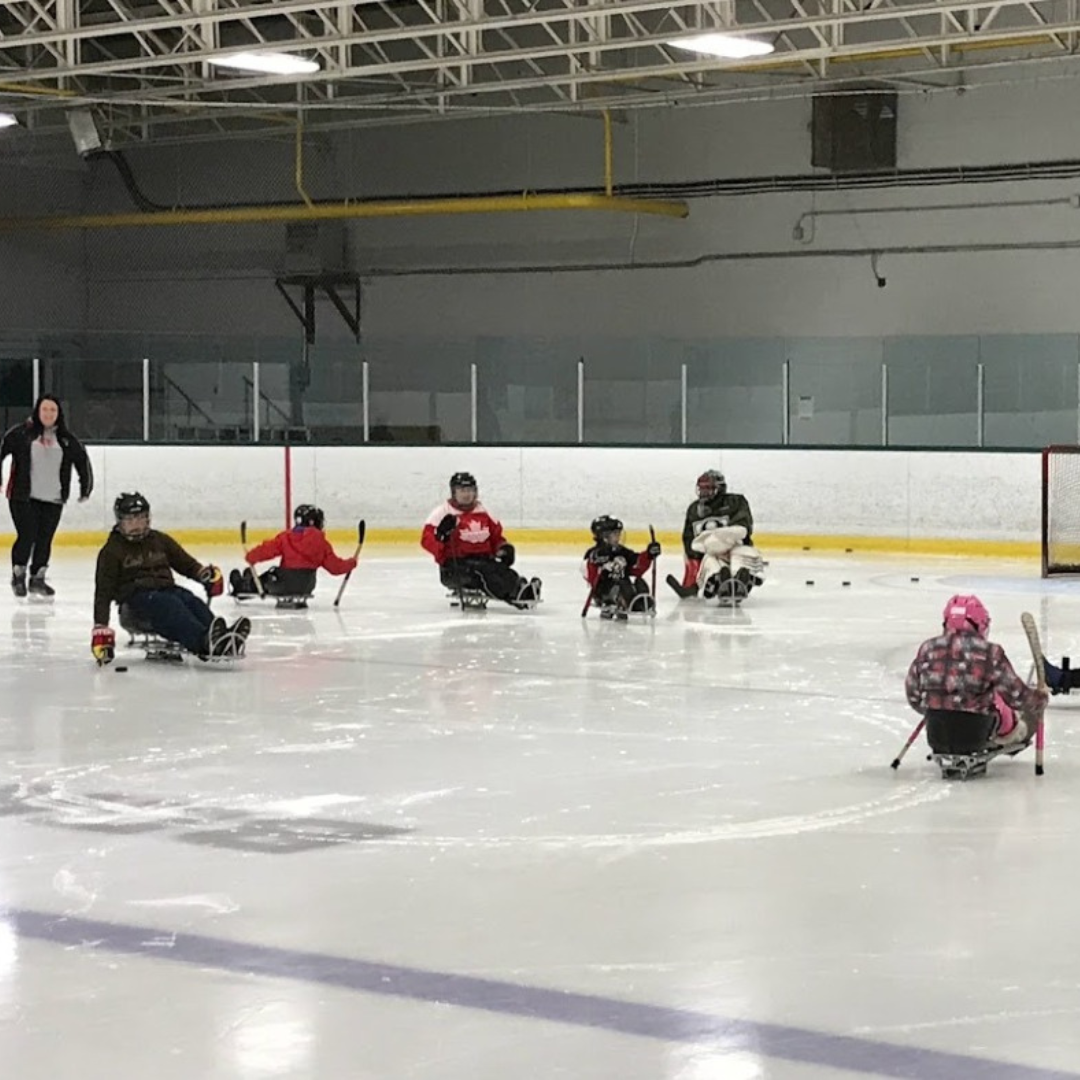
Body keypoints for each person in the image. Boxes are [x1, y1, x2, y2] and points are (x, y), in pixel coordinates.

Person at [91, 492, 250, 664]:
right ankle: (203, 643)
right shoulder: (112, 551)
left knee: (190, 600)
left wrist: (205, 575)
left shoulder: (159, 540)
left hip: (166, 591)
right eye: (130, 521)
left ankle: (220, 638)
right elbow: (103, 593)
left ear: (148, 519)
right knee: (170, 605)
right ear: (120, 522)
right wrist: (101, 629)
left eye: (141, 519)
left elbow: (186, 564)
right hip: (135, 604)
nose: (136, 525)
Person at [905, 594, 1046, 756]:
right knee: (1007, 704)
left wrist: (936, 707)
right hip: (975, 734)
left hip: (936, 735)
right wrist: (1039, 700)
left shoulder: (927, 648)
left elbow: (913, 694)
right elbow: (1016, 695)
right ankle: (1016, 733)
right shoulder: (990, 652)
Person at [1, 394, 93, 598]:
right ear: (38, 411)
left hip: (53, 498)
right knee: (27, 535)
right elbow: (2, 448)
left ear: (58, 414)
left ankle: (38, 578)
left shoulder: (66, 440)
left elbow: (82, 463)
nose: (48, 414)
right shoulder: (22, 434)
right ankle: (18, 574)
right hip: (23, 496)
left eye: (53, 410)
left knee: (45, 538)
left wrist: (85, 488)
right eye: (45, 410)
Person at [421, 472, 541, 609]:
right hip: (454, 566)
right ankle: (516, 595)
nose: (467, 494)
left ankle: (520, 586)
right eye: (462, 490)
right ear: (454, 492)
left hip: (483, 560)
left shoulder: (484, 511)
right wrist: (441, 538)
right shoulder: (442, 512)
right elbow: (426, 540)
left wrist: (502, 548)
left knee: (499, 569)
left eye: (470, 490)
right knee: (483, 573)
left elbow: (496, 537)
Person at [667, 470, 764, 602]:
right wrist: (693, 573)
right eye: (701, 488)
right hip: (710, 553)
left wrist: (725, 538)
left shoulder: (735, 502)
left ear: (720, 488)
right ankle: (717, 581)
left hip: (734, 549)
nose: (704, 492)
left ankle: (740, 579)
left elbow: (743, 527)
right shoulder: (694, 510)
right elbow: (689, 539)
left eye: (708, 488)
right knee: (709, 561)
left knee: (742, 553)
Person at [231, 504, 356, 599]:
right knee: (273, 575)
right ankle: (252, 581)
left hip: (282, 585)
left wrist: (252, 556)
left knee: (271, 576)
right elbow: (335, 567)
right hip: (307, 586)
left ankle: (245, 585)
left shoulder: (285, 537)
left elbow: (267, 550)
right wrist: (351, 563)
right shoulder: (322, 543)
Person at [582, 516, 661, 619]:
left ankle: (637, 601)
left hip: (623, 586)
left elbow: (637, 567)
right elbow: (590, 575)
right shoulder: (594, 554)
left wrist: (648, 555)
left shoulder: (622, 552)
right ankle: (615, 600)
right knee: (619, 584)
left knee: (639, 582)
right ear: (604, 536)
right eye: (615, 534)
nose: (618, 537)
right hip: (605, 591)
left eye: (619, 533)